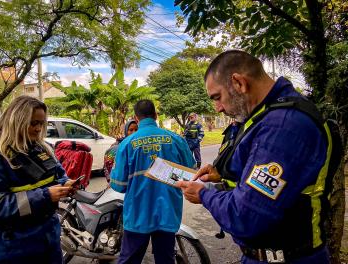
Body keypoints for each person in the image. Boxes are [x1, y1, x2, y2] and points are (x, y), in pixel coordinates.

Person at [176, 50, 332, 263]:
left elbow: (246, 216)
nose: (218, 108)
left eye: (217, 97)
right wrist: (221, 177)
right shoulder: (268, 115)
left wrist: (204, 195)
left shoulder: (284, 126)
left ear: (238, 83)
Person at [0, 96, 75, 264]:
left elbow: (57, 175)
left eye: (41, 124)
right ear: (16, 121)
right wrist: (46, 196)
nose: (38, 129)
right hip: (13, 248)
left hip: (49, 241)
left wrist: (66, 184)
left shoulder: (42, 148)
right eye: (33, 123)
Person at [110, 99, 195, 264]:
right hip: (168, 213)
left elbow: (118, 186)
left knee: (129, 260)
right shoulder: (176, 140)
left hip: (137, 216)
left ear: (136, 118)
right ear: (156, 115)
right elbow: (191, 173)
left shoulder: (126, 144)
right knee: (165, 259)